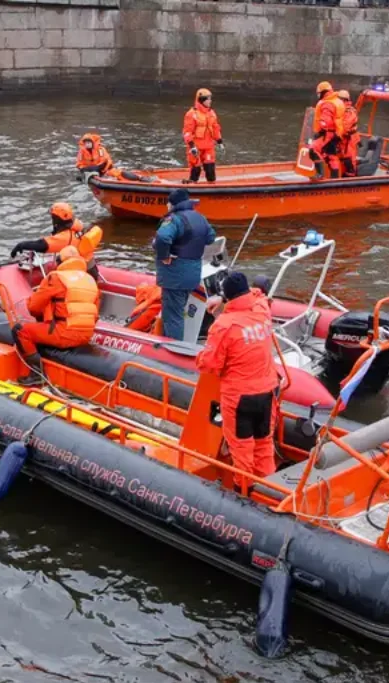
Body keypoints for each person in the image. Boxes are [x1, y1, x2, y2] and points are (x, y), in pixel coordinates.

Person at [196, 271, 281, 483]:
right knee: (263, 445)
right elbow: (259, 295)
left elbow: (210, 365)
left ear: (228, 296)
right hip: (268, 392)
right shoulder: (262, 310)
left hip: (240, 398)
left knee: (242, 451)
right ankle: (269, 491)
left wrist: (199, 356)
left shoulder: (224, 326)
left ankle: (245, 494)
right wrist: (225, 298)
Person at [11, 246, 99, 377]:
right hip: (86, 336)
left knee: (21, 331)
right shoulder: (90, 281)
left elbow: (33, 307)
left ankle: (36, 374)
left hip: (64, 334)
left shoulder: (56, 278)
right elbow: (95, 316)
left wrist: (43, 318)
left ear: (59, 261)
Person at [153, 188, 215, 341]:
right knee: (179, 311)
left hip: (175, 275)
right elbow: (210, 238)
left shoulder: (174, 219)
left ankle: (173, 350)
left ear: (172, 204)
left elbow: (162, 237)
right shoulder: (201, 218)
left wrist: (164, 256)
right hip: (193, 273)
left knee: (173, 316)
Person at [9, 202, 104, 279]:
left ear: (56, 220)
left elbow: (42, 245)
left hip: (81, 275)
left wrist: (21, 245)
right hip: (91, 270)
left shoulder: (64, 238)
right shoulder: (78, 227)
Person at [182, 88, 223, 183]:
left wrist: (219, 141)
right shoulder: (191, 114)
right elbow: (187, 132)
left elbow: (216, 127)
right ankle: (192, 187)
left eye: (210, 98)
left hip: (208, 146)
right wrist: (192, 146)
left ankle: (212, 189)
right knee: (196, 169)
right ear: (201, 100)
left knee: (210, 169)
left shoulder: (211, 113)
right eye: (208, 99)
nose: (210, 101)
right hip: (196, 147)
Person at [308, 82, 346, 180]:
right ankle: (335, 178)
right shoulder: (336, 101)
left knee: (313, 149)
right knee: (331, 155)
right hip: (336, 133)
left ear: (323, 92)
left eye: (319, 93)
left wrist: (320, 131)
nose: (318, 95)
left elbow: (326, 121)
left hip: (328, 133)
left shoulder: (327, 103)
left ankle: (320, 174)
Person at [336, 90, 361, 177]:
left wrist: (335, 133)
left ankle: (351, 177)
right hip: (342, 139)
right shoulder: (339, 110)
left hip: (349, 139)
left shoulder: (349, 112)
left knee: (349, 158)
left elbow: (345, 127)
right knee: (341, 156)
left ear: (345, 100)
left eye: (339, 99)